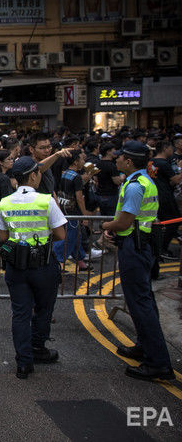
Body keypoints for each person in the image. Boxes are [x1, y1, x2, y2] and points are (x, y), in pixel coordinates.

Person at [101, 141, 174, 381]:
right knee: (143, 300)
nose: (117, 158)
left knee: (140, 303)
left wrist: (106, 225)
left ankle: (158, 363)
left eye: (120, 156)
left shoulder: (134, 186)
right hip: (142, 243)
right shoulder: (145, 180)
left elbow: (123, 223)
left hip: (135, 246)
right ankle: (144, 347)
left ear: (129, 161)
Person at [0, 157, 66, 379]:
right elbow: (61, 234)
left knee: (20, 313)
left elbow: (3, 236)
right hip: (43, 265)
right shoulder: (46, 201)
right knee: (44, 309)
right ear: (33, 175)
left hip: (16, 266)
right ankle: (38, 348)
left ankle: (23, 362)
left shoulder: (5, 203)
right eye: (39, 173)